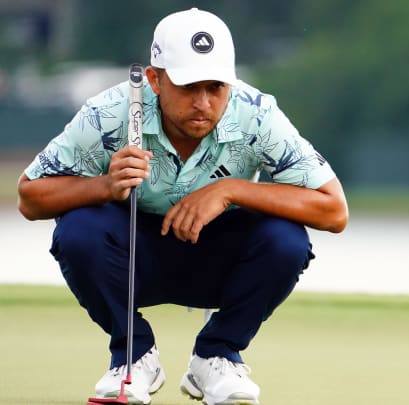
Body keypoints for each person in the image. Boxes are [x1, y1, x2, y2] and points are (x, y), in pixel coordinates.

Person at [17, 7, 348, 405]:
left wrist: (232, 190)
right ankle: (133, 356)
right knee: (79, 228)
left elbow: (333, 210)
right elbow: (30, 196)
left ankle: (217, 355)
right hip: (134, 262)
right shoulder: (109, 113)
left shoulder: (257, 115)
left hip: (218, 263)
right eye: (189, 87)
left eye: (216, 87)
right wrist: (104, 185)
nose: (203, 102)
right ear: (155, 79)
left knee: (286, 239)